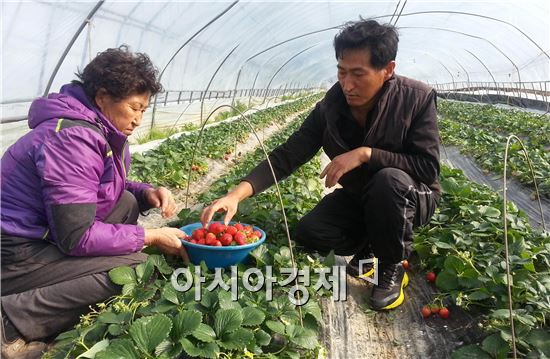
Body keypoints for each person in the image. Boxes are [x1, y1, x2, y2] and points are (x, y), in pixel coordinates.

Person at [201, 19, 440, 311]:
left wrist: (367, 153)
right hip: (361, 199)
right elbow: (289, 153)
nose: (347, 84)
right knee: (311, 231)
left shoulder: (416, 99)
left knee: (388, 180)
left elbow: (427, 168)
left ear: (387, 69)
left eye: (358, 74)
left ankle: (391, 266)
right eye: (341, 72)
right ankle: (372, 244)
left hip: (410, 197)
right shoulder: (331, 106)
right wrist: (236, 194)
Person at [1, 46, 188, 358]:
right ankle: (11, 319)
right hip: (16, 250)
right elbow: (76, 237)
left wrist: (145, 192)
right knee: (135, 269)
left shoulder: (92, 127)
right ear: (103, 97)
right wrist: (148, 236)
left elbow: (95, 183)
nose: (139, 119)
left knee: (127, 201)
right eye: (134, 108)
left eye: (144, 110)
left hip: (39, 233)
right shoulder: (73, 138)